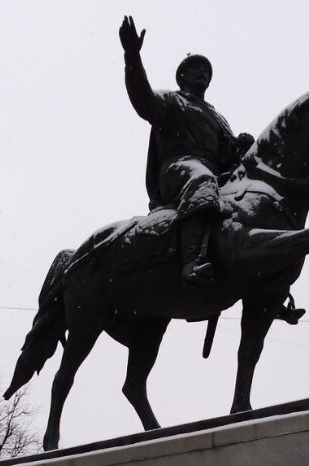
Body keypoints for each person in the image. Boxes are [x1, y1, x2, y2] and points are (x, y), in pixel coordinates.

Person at [118, 16, 250, 290]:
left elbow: (228, 157)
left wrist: (242, 148)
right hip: (179, 170)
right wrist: (132, 56)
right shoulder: (172, 100)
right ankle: (191, 262)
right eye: (195, 68)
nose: (202, 72)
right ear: (182, 77)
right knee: (201, 178)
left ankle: (267, 282)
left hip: (214, 174)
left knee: (251, 200)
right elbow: (143, 100)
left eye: (205, 69)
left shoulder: (217, 117)